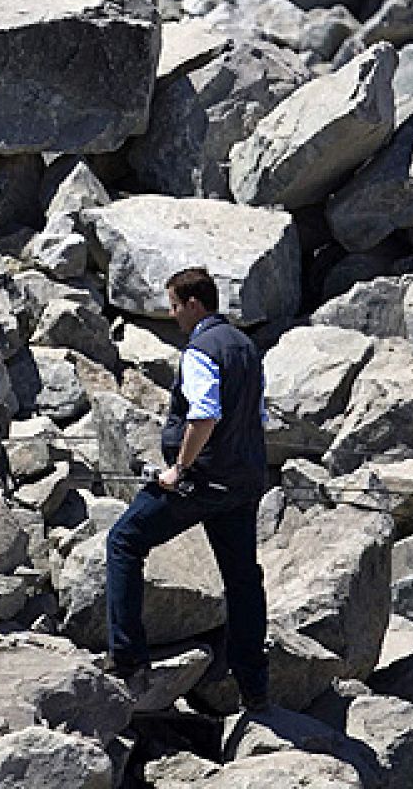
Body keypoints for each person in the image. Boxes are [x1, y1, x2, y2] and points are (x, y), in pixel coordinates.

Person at [106, 267, 270, 711]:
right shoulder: (245, 347)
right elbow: (259, 417)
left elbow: (205, 414)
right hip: (244, 481)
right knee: (242, 580)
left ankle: (127, 659)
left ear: (194, 304)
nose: (174, 315)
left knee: (124, 541)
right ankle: (255, 688)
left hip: (200, 482)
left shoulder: (201, 349)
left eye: (175, 305)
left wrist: (179, 468)